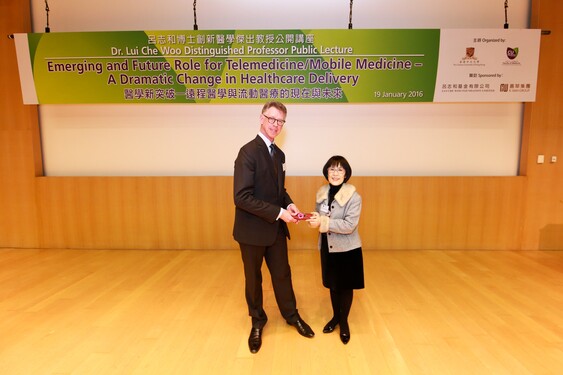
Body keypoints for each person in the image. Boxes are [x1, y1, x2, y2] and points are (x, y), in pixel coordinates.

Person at [233, 101, 315, 354]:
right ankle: (257, 321)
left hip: (275, 230)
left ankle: (292, 316)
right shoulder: (248, 152)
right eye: (271, 119)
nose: (275, 125)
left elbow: (280, 191)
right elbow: (242, 197)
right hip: (251, 232)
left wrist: (288, 205)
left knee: (283, 274)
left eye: (280, 121)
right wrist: (279, 212)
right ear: (261, 118)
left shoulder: (279, 154)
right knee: (254, 279)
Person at [307, 155, 364, 344]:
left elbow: (349, 225)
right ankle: (335, 317)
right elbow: (320, 214)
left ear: (346, 173)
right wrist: (313, 218)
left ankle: (344, 322)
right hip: (327, 247)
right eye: (332, 169)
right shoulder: (322, 192)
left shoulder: (354, 196)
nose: (335, 173)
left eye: (340, 170)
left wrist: (323, 222)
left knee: (345, 287)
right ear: (327, 172)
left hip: (347, 249)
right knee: (333, 284)